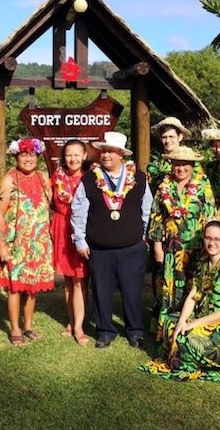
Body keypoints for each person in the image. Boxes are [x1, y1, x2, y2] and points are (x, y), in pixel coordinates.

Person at [140, 220, 220, 381]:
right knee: (170, 322)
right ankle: (181, 355)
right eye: (208, 238)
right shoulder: (203, 264)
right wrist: (182, 321)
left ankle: (184, 359)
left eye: (217, 239)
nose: (212, 243)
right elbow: (193, 296)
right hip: (202, 318)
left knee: (187, 338)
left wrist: (193, 324)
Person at [71, 131, 152, 349]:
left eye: (111, 152)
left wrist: (143, 236)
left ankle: (135, 331)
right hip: (99, 248)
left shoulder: (140, 178)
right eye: (103, 151)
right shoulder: (89, 179)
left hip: (132, 247)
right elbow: (78, 211)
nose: (106, 155)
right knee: (101, 291)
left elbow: (147, 209)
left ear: (121, 155)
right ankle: (105, 331)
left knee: (132, 290)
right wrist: (80, 241)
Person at [149, 146, 215, 341]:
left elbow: (210, 214)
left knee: (193, 287)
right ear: (171, 164)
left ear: (193, 165)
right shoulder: (164, 187)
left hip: (196, 247)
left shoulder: (203, 186)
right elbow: (156, 217)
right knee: (169, 289)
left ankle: (190, 330)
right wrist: (157, 247)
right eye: (177, 163)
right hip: (170, 247)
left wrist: (209, 246)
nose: (181, 168)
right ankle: (166, 331)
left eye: (186, 164)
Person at [0, 138, 54, 346]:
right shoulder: (9, 179)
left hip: (39, 242)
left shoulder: (43, 177)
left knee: (33, 287)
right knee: (14, 286)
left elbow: (51, 205)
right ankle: (15, 329)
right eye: (23, 155)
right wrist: (1, 244)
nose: (28, 159)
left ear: (37, 157)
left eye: (31, 155)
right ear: (16, 156)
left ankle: (28, 325)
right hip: (16, 243)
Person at [50, 139, 90, 345]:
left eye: (77, 154)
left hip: (80, 230)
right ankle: (72, 320)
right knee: (67, 279)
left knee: (79, 279)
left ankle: (80, 327)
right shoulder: (57, 175)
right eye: (69, 154)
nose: (73, 158)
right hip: (60, 227)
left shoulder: (91, 177)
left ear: (84, 155)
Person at [146, 117, 189, 193]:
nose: (168, 141)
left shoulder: (190, 161)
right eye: (164, 137)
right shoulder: (155, 165)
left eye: (171, 137)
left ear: (180, 137)